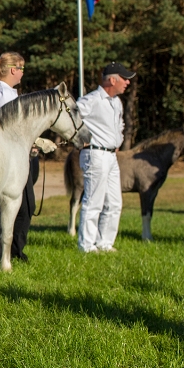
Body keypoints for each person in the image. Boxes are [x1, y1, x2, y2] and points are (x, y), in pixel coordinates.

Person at [0, 52, 38, 263]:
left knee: (25, 206)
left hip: (17, 154)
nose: (23, 73)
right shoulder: (2, 93)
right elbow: (7, 126)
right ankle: (5, 253)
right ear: (14, 69)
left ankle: (14, 250)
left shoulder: (7, 92)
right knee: (14, 206)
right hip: (10, 157)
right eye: (22, 68)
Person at [75, 62, 135, 253]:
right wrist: (79, 140)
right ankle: (86, 245)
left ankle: (105, 243)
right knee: (94, 201)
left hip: (110, 156)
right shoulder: (91, 100)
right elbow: (72, 117)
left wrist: (119, 139)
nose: (127, 82)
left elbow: (121, 125)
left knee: (114, 202)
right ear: (112, 79)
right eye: (125, 79)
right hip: (95, 154)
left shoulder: (117, 102)